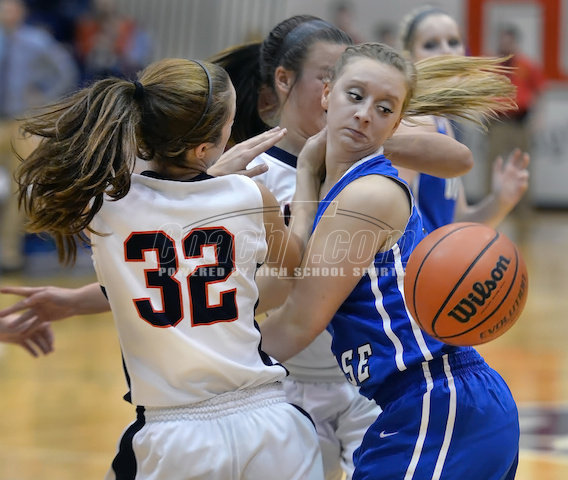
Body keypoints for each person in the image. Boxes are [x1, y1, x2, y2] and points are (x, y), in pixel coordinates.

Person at [0, 15, 477, 480]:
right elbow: (233, 280)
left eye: (379, 104)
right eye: (338, 82)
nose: (360, 106)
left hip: (344, 387)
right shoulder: (251, 187)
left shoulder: (119, 205)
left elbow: (173, 272)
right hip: (278, 394)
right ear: (293, 83)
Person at [12, 57, 325, 479]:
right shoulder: (250, 196)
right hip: (270, 426)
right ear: (203, 149)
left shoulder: (105, 209)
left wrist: (208, 175)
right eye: (229, 124)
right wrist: (306, 176)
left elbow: (167, 234)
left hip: (173, 439)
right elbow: (293, 262)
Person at [260, 42, 520, 480]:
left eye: (384, 109)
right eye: (355, 96)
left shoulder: (368, 194)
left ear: (397, 123)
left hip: (438, 402)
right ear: (327, 94)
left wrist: (217, 363)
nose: (365, 114)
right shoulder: (336, 187)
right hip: (431, 405)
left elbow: (298, 322)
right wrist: (305, 172)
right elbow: (291, 276)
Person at [396, 5, 530, 232]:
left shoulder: (440, 122)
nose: (446, 52)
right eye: (430, 44)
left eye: (453, 42)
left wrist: (500, 202)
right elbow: (381, 220)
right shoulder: (413, 123)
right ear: (409, 58)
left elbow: (457, 223)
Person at [0, 0, 78, 272]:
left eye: (11, 7)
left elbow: (65, 71)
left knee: (21, 185)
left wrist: (44, 98)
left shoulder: (36, 41)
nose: (7, 12)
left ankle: (8, 253)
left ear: (21, 11)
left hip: (20, 120)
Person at [485, 23, 545, 194]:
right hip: (498, 123)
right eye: (503, 41)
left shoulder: (527, 65)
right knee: (494, 165)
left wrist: (538, 118)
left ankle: (523, 210)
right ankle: (490, 206)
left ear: (515, 43)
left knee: (522, 167)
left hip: (520, 123)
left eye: (509, 41)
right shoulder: (491, 65)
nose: (505, 45)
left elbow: (539, 92)